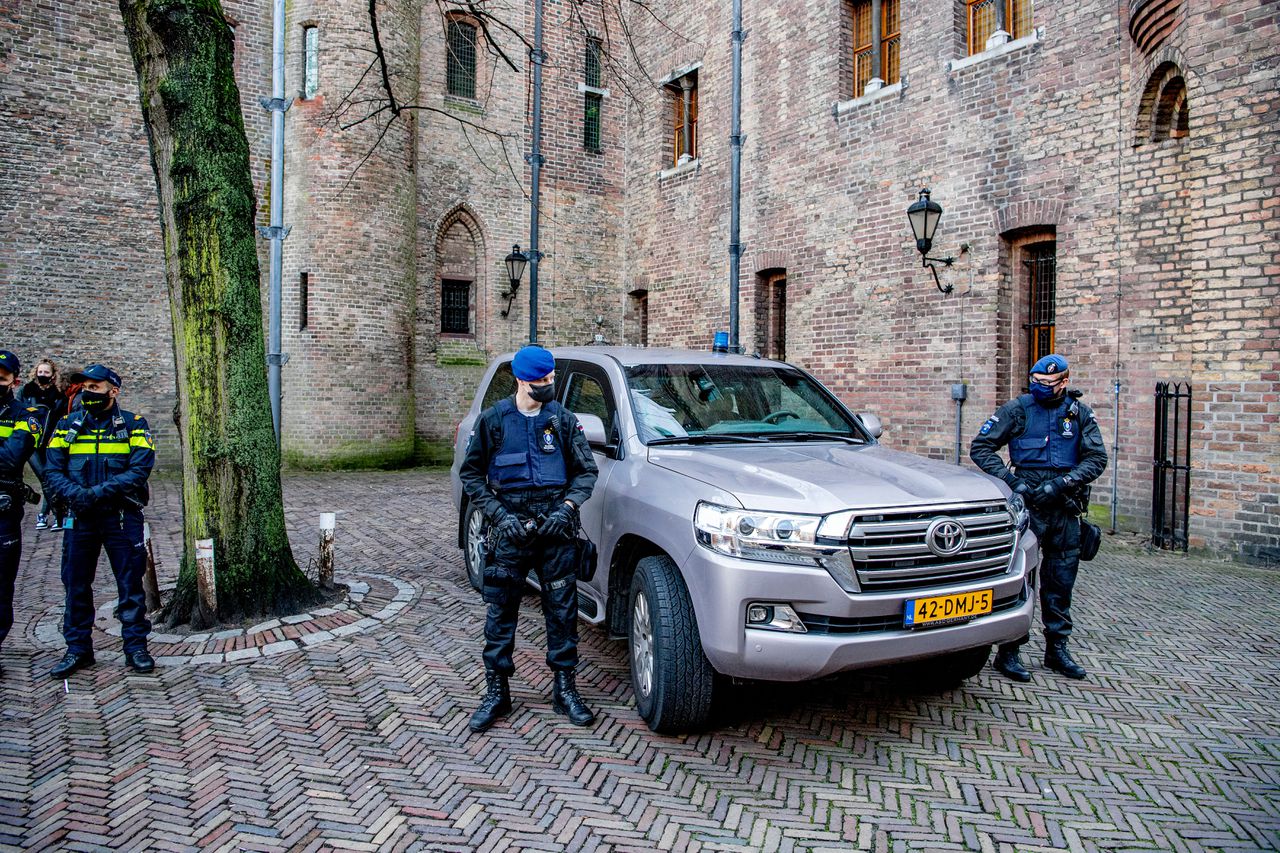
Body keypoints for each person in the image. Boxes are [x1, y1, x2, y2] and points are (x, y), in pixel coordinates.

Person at [458, 345, 599, 731]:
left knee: (562, 610)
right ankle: (497, 692)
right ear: (521, 380)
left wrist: (566, 509)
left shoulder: (563, 420)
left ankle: (565, 690)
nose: (548, 386)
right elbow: (471, 476)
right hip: (509, 529)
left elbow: (586, 472)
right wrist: (499, 516)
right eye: (541, 381)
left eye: (551, 379)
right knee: (501, 612)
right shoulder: (494, 421)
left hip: (555, 531)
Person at [970, 354, 1108, 681]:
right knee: (1021, 579)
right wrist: (1013, 482)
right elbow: (981, 448)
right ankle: (1010, 651)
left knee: (1061, 581)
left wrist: (1063, 483)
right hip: (1028, 502)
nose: (1043, 388)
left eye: (1050, 383)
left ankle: (1057, 650)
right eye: (1038, 383)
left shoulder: (1078, 414)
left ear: (1064, 382)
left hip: (1064, 505)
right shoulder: (1017, 409)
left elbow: (1096, 458)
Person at [43, 364, 157, 676]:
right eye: (84, 387)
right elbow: (52, 469)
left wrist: (96, 493)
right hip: (79, 518)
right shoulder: (67, 425)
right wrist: (76, 495)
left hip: (120, 517)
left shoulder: (134, 425)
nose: (87, 393)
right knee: (76, 584)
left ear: (113, 391)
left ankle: (135, 647)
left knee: (130, 585)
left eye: (95, 387)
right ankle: (78, 649)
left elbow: (138, 470)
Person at [0, 351, 47, 670]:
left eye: (1, 377)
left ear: (14, 381)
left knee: (1, 586)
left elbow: (11, 459)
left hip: (3, 513)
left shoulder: (28, 414)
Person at [17, 359, 66, 530]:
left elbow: (61, 419)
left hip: (50, 442)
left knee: (51, 479)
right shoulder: (26, 391)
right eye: (40, 372)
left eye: (46, 372)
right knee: (45, 479)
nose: (42, 375)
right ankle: (58, 515)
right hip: (31, 445)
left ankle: (45, 515)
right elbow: (19, 413)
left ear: (53, 375)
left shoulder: (59, 395)